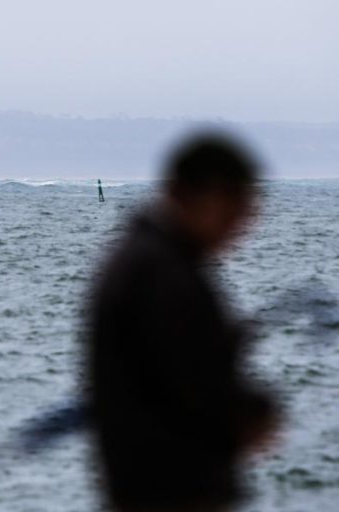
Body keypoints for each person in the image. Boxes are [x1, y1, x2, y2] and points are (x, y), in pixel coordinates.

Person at [84, 132, 279, 512]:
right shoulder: (164, 274)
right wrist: (253, 413)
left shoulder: (138, 258)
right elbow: (196, 391)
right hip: (172, 493)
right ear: (189, 195)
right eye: (233, 212)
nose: (239, 229)